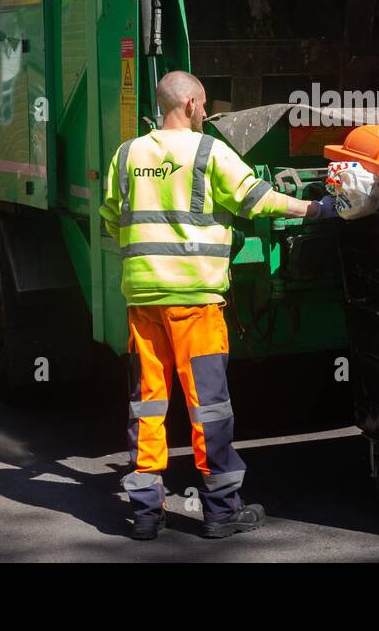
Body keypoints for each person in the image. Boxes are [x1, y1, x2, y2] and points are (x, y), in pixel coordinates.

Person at [99, 70, 336, 540]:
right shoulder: (208, 152)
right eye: (204, 105)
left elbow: (112, 219)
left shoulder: (127, 155)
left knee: (147, 406)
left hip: (143, 302)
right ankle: (221, 511)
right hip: (195, 304)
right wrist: (317, 209)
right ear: (189, 105)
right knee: (208, 408)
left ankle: (146, 514)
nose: (207, 113)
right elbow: (259, 200)